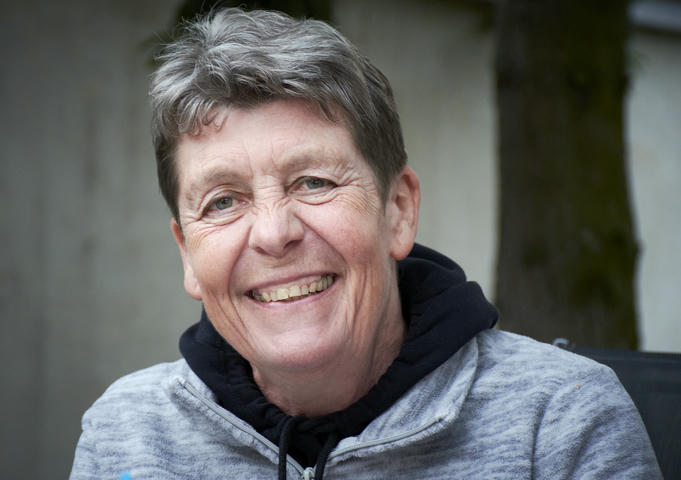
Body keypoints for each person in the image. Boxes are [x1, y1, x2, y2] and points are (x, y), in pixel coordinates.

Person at [70, 7, 661, 480]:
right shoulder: (127, 435)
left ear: (398, 210)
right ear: (187, 253)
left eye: (313, 182)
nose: (274, 234)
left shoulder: (559, 423)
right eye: (223, 201)